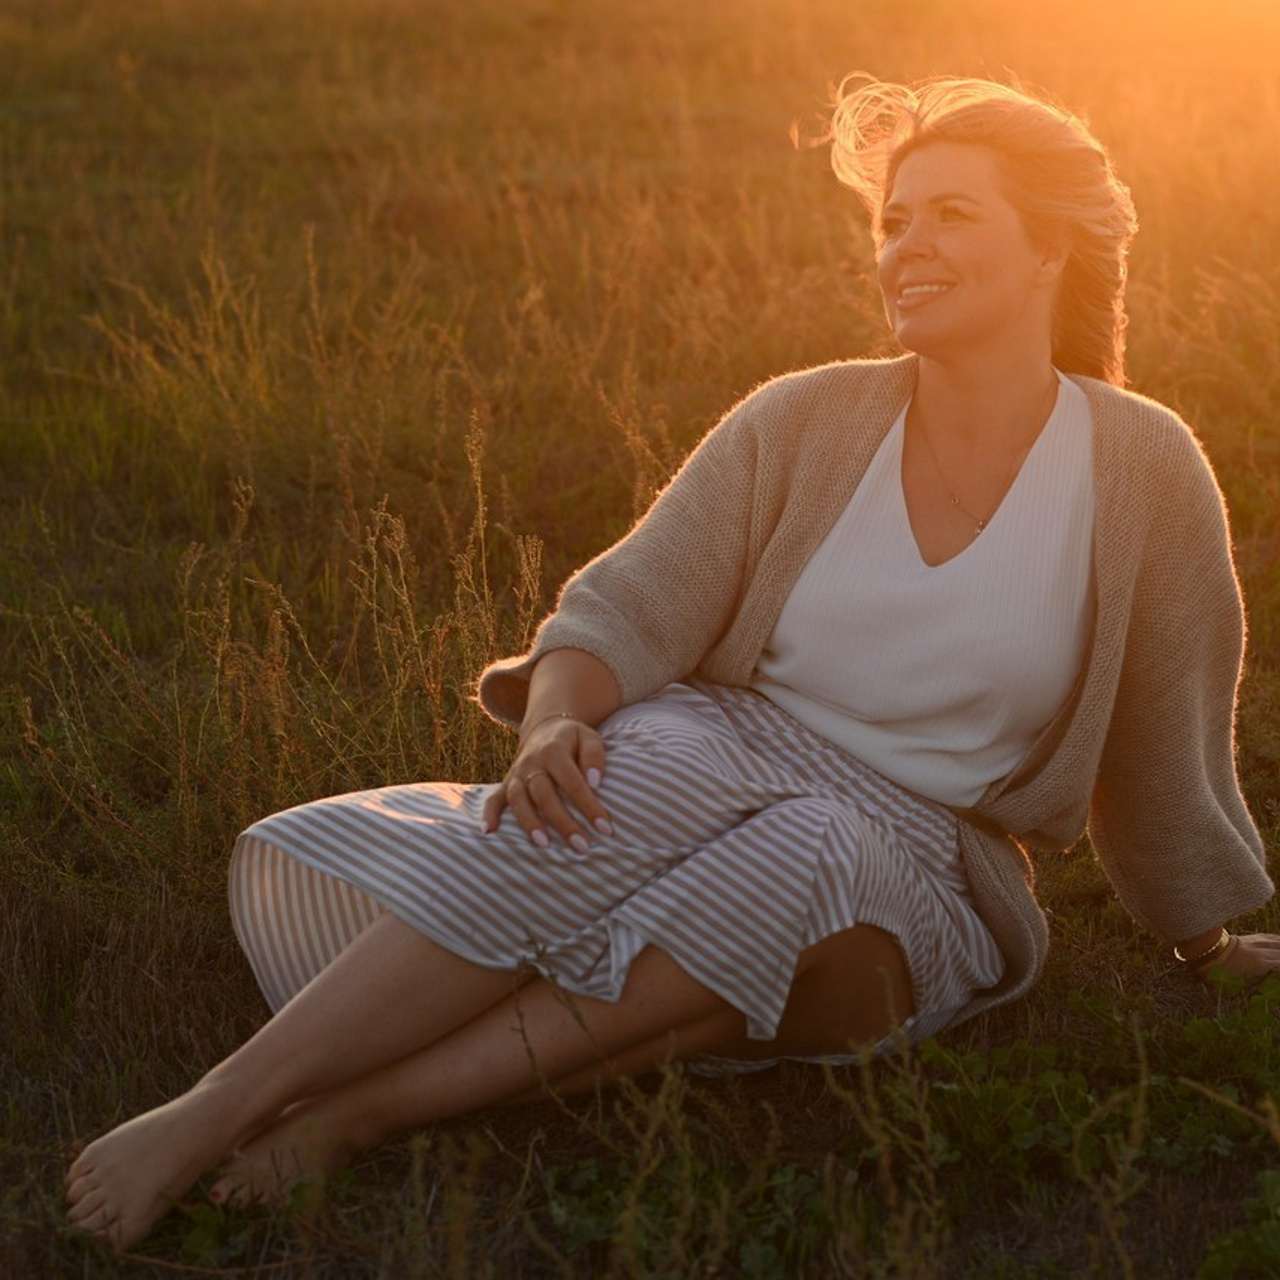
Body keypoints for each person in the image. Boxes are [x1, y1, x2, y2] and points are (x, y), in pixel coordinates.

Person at [66, 74, 1279, 1252]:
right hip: (721, 753)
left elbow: (1166, 731)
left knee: (803, 852)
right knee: (642, 759)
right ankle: (213, 1107)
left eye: (952, 215)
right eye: (893, 220)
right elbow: (624, 606)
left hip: (919, 860)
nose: (906, 245)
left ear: (1048, 251)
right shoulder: (802, 418)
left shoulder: (1138, 467)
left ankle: (359, 1111)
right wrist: (550, 725)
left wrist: (1199, 940)